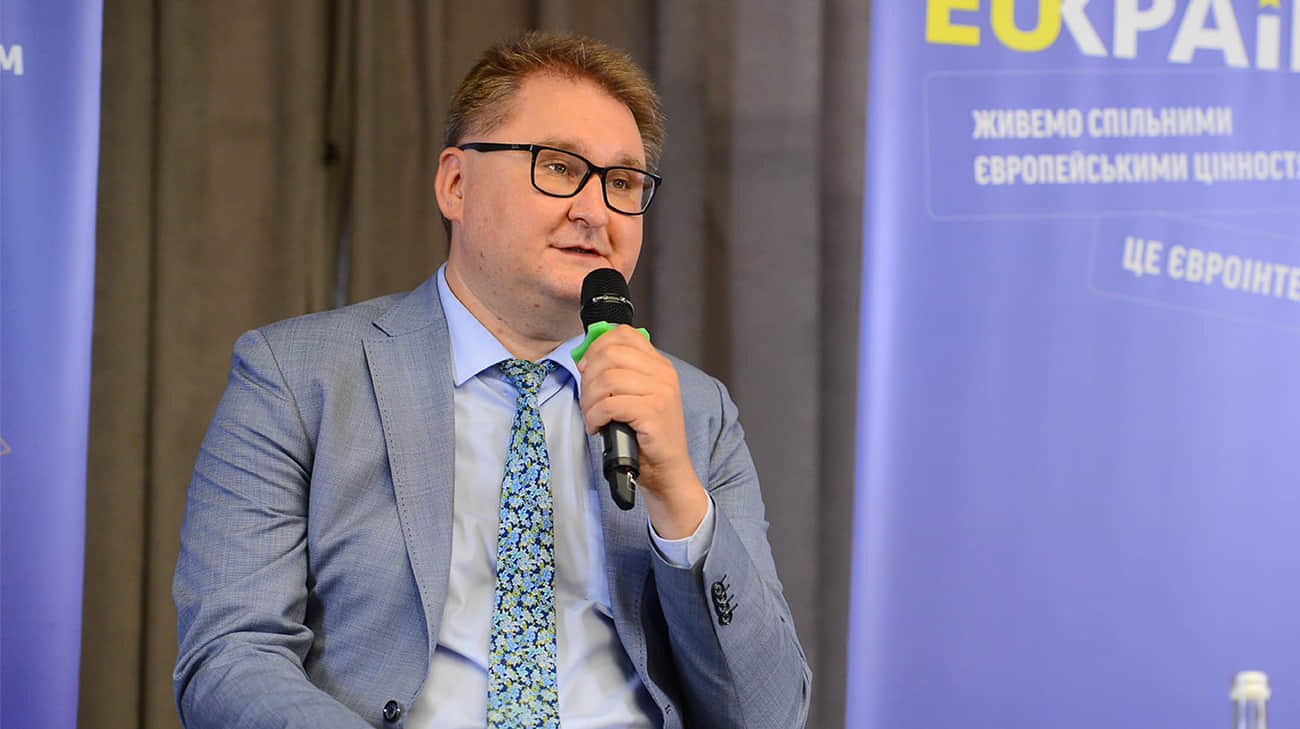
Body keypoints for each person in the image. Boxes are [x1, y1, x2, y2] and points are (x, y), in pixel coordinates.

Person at [172, 31, 810, 729]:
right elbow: (230, 657)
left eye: (623, 182)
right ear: (456, 184)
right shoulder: (298, 376)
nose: (595, 211)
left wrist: (679, 499)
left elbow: (769, 712)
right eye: (559, 167)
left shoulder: (693, 410)